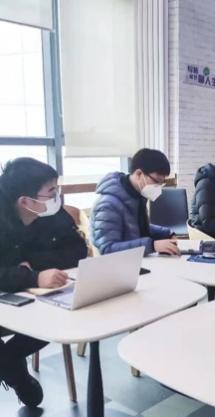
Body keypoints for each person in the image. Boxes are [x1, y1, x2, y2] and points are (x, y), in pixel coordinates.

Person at [0, 158, 88, 407]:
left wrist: (34, 265)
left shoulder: (50, 211)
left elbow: (78, 249)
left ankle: (8, 362)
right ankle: (17, 376)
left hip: (33, 294)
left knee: (55, 321)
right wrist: (33, 276)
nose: (57, 197)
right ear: (25, 201)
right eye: (51, 191)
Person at [91, 148, 179, 256]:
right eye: (156, 181)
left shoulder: (137, 196)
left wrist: (167, 234)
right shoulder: (107, 205)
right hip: (120, 264)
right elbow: (107, 249)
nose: (158, 188)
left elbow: (134, 228)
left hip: (136, 259)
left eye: (161, 183)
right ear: (139, 174)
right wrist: (153, 245)